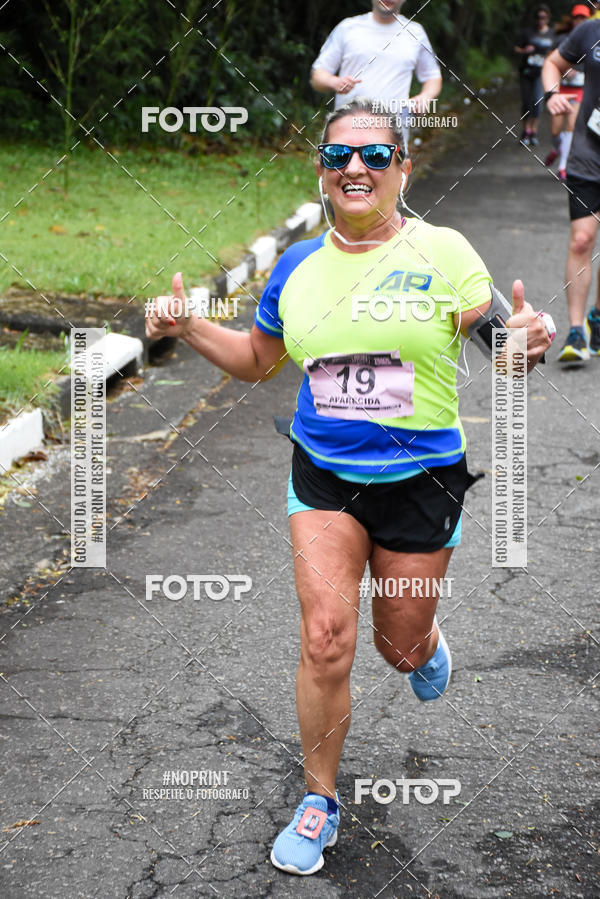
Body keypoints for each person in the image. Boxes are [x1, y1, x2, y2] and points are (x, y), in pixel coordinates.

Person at [145, 99, 551, 876]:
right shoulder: (297, 263)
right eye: (338, 158)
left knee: (398, 647)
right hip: (325, 477)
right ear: (322, 174)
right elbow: (260, 359)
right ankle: (320, 797)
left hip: (421, 481)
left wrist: (526, 343)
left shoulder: (445, 250)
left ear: (401, 167)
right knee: (326, 636)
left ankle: (424, 646)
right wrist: (191, 327)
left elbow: (503, 344)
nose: (354, 168)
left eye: (373, 156)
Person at [543, 13, 600, 361]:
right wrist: (553, 94)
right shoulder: (590, 31)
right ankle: (576, 330)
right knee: (582, 239)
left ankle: (598, 317)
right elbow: (553, 63)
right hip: (587, 155)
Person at [310, 0, 441, 126]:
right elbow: (318, 76)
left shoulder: (416, 32)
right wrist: (334, 82)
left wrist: (425, 97)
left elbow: (433, 76)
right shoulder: (347, 28)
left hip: (393, 136)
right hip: (347, 133)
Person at [544, 5, 590, 181]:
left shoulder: (592, 38)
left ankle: (563, 167)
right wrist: (564, 71)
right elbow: (549, 61)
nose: (580, 21)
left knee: (571, 125)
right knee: (556, 130)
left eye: (583, 18)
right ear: (572, 19)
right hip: (561, 89)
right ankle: (558, 148)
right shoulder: (561, 39)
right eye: (577, 18)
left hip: (579, 90)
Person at [514, 4, 555, 146]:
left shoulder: (552, 34)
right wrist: (525, 50)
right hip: (527, 71)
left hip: (542, 73)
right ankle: (525, 131)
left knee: (537, 102)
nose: (540, 20)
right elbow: (516, 48)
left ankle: (533, 131)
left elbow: (557, 53)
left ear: (548, 18)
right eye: (538, 17)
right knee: (526, 102)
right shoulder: (527, 33)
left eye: (543, 17)